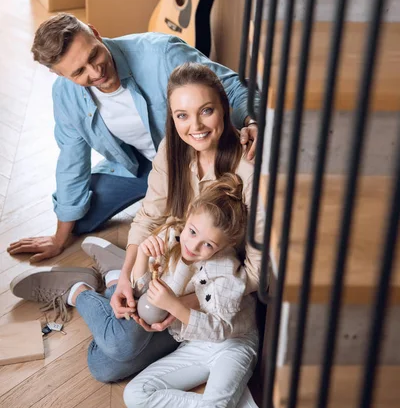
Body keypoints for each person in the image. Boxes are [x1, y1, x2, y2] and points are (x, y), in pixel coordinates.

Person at [10, 63, 263, 389]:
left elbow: (258, 271)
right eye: (182, 115)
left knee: (104, 366)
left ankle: (82, 290)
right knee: (120, 342)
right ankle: (107, 280)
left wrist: (184, 306)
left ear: (225, 109)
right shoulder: (172, 150)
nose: (195, 126)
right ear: (172, 117)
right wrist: (130, 277)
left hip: (214, 290)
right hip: (164, 264)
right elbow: (148, 217)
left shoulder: (251, 167)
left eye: (207, 111)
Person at [7, 14, 259, 263]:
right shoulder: (65, 95)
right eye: (79, 72)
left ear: (95, 32)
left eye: (94, 55)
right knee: (78, 220)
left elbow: (234, 88)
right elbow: (71, 161)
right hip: (139, 165)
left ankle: (169, 206)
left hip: (193, 156)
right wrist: (59, 239)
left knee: (213, 227)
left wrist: (253, 121)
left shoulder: (162, 53)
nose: (96, 72)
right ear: (61, 75)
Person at [123, 174, 263, 408]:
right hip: (194, 346)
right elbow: (142, 290)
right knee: (135, 394)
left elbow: (220, 329)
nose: (194, 246)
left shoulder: (227, 272)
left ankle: (221, 405)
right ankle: (229, 407)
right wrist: (143, 255)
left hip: (233, 343)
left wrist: (175, 307)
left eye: (208, 245)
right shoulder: (170, 239)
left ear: (224, 247)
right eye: (193, 231)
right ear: (188, 216)